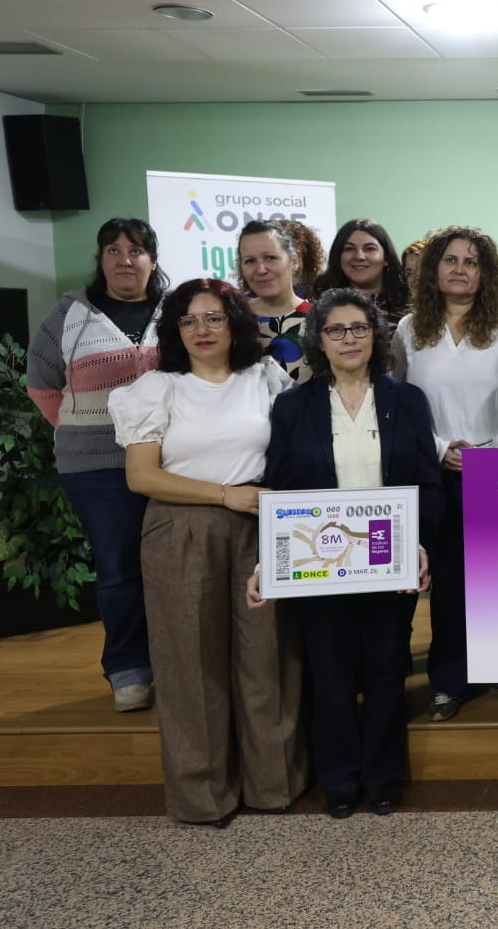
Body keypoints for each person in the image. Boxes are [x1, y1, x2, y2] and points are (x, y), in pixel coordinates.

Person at [108, 279, 306, 825]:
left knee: (268, 656)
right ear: (175, 330)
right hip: (181, 529)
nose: (201, 330)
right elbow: (141, 476)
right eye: (189, 320)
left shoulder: (264, 378)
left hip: (261, 527)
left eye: (214, 318)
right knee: (190, 664)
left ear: (235, 323)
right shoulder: (155, 389)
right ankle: (205, 795)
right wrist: (224, 495)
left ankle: (274, 782)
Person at [251, 287, 442, 819]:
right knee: (329, 675)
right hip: (319, 565)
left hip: (388, 557)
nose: (349, 339)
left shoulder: (407, 399)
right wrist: (272, 561)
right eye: (336, 330)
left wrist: (419, 546)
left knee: (385, 672)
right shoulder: (293, 406)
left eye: (359, 328)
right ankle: (338, 778)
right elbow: (280, 490)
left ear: (376, 336)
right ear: (319, 340)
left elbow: (428, 483)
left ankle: (382, 777)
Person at [393, 226, 498, 717]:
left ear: (487, 272)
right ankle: (449, 679)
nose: (460, 269)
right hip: (437, 469)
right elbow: (401, 404)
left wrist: (488, 451)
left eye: (471, 261)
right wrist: (440, 449)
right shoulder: (410, 330)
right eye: (450, 259)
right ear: (434, 269)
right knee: (449, 581)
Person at [27, 218, 168, 713]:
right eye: (113, 250)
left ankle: (175, 662)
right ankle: (129, 669)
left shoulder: (175, 312)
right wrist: (80, 429)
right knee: (117, 567)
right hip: (96, 466)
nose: (125, 259)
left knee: (173, 566)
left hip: (171, 461)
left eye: (136, 250)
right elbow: (42, 384)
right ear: (100, 258)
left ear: (152, 259)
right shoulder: (69, 314)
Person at [237, 219, 312, 382]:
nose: (261, 269)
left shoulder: (321, 319)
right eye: (250, 261)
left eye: (270, 258)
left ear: (294, 261)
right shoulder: (232, 320)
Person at [314, 218, 410, 321]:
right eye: (349, 249)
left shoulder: (411, 303)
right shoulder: (320, 305)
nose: (359, 256)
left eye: (369, 248)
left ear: (386, 258)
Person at [272, 217, 324, 300]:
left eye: (294, 257)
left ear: (305, 259)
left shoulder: (320, 297)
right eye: (272, 257)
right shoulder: (247, 305)